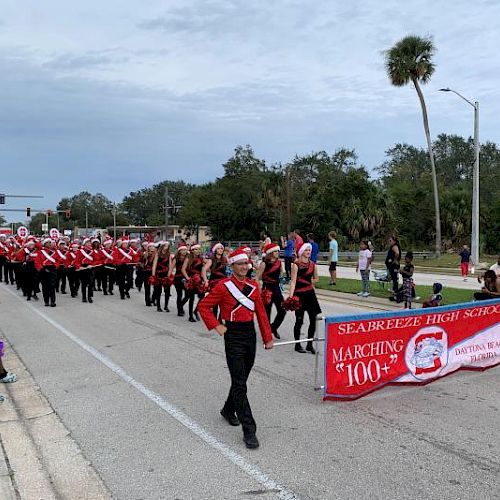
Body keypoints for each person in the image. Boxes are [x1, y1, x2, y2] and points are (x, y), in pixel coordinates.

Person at [197, 247, 273, 450]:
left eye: (246, 264)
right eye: (239, 264)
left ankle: (228, 410)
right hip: (233, 336)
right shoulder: (223, 286)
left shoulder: (254, 287)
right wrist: (218, 326)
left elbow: (262, 314)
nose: (244, 267)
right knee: (240, 383)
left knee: (241, 379)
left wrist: (267, 337)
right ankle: (250, 430)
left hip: (250, 334)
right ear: (232, 266)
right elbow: (203, 307)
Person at [288, 242, 321, 354]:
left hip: (310, 294)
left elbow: (316, 278)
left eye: (309, 250)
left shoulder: (313, 264)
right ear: (302, 251)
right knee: (299, 320)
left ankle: (309, 344)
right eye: (306, 250)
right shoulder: (295, 264)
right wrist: (291, 297)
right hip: (299, 295)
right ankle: (297, 344)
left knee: (313, 319)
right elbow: (293, 281)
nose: (308, 252)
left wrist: (308, 282)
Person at [255, 242, 286, 339]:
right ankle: (267, 333)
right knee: (267, 313)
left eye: (278, 251)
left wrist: (283, 272)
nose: (277, 252)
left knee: (282, 311)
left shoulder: (279, 262)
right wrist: (260, 291)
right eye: (275, 251)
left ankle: (273, 328)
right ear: (271, 252)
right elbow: (256, 278)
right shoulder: (264, 263)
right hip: (267, 289)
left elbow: (282, 273)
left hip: (276, 289)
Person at [182, 243, 206, 322]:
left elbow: (203, 270)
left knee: (202, 297)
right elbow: (183, 269)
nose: (197, 251)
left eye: (198, 249)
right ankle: (190, 316)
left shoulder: (201, 259)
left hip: (199, 280)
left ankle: (196, 311)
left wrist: (204, 280)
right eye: (195, 249)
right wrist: (188, 278)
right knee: (191, 298)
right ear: (192, 250)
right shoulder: (188, 258)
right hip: (191, 280)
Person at [35, 238, 59, 307]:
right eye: (47, 243)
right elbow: (37, 262)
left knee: (52, 285)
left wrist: (55, 266)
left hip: (52, 269)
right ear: (44, 244)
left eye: (50, 242)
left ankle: (52, 301)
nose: (49, 244)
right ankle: (46, 301)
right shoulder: (40, 252)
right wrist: (42, 269)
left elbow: (58, 261)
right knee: (45, 286)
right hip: (43, 269)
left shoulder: (55, 252)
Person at [152, 242, 173, 312]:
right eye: (165, 246)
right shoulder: (157, 254)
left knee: (167, 291)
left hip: (166, 274)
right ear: (162, 247)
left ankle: (166, 306)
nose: (166, 247)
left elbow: (170, 266)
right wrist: (153, 275)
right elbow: (154, 265)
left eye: (167, 246)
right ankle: (158, 306)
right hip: (158, 274)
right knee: (158, 291)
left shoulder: (169, 255)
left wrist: (169, 275)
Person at [75, 238, 96, 303]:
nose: (89, 243)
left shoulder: (93, 251)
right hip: (83, 268)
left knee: (90, 283)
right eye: (87, 242)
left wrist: (92, 264)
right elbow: (77, 261)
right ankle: (84, 297)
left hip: (90, 267)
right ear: (84, 243)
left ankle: (89, 297)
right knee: (83, 284)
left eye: (89, 242)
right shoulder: (80, 251)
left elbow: (97, 260)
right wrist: (79, 266)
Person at [173, 243, 188, 316]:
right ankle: (179, 310)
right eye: (183, 250)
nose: (184, 251)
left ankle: (180, 305)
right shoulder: (176, 259)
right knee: (179, 295)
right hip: (178, 278)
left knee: (187, 295)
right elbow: (171, 268)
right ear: (179, 251)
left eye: (185, 250)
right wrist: (169, 277)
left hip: (186, 278)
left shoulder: (188, 258)